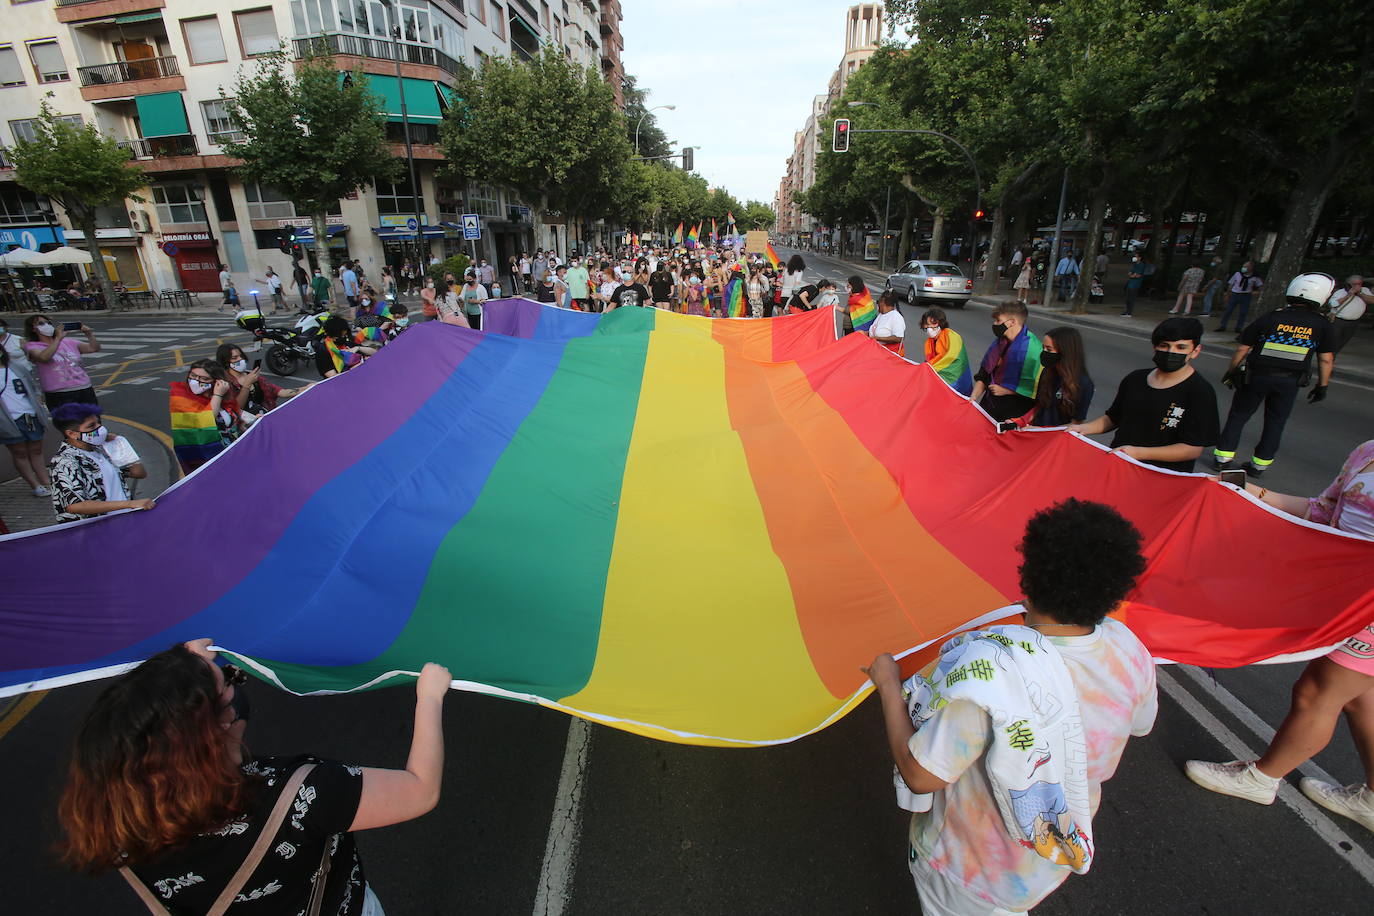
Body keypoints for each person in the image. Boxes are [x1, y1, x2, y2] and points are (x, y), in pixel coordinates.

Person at [865, 498, 1156, 916]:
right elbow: (1141, 724)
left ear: (1029, 575)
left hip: (968, 872)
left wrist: (889, 685)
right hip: (1047, 856)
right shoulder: (1129, 650)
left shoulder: (992, 675)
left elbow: (920, 774)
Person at [59, 638, 451, 915]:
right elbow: (420, 790)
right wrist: (430, 697)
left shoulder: (118, 821)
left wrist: (189, 667)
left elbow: (197, 716)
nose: (232, 682)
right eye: (230, 683)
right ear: (215, 729)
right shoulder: (300, 793)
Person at [1185, 440, 1374, 832]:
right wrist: (1246, 489)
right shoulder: (1366, 451)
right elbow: (1321, 510)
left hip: (1368, 609)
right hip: (1342, 597)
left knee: (1317, 692)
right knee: (1360, 700)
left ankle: (1261, 778)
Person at [1212, 273, 1337, 478]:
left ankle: (1222, 459)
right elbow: (1326, 359)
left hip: (1256, 376)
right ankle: (1258, 465)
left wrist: (1232, 371)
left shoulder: (1273, 316)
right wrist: (1322, 386)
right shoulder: (1321, 324)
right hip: (1289, 381)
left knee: (1239, 415)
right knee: (1276, 421)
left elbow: (1243, 348)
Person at [1068, 316, 1219, 472]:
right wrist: (1084, 429)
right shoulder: (1135, 379)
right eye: (1164, 346)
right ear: (1155, 347)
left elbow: (1192, 448)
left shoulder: (1199, 391)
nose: (1171, 352)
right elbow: (1113, 418)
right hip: (1118, 466)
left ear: (1195, 351)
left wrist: (1138, 452)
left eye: (1181, 347)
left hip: (1161, 477)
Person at [48, 402, 151, 522]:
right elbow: (75, 505)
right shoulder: (65, 462)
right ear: (72, 433)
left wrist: (121, 444)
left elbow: (139, 473)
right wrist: (129, 504)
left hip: (123, 520)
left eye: (99, 423)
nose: (100, 429)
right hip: (97, 530)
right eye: (92, 426)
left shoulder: (101, 450)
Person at [970, 302, 1043, 423]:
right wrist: (973, 398)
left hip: (1013, 414)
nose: (995, 324)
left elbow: (1036, 390)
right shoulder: (999, 343)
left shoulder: (1033, 351)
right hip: (989, 407)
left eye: (998, 320)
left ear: (1012, 322)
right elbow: (984, 374)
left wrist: (1007, 391)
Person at [171, 360, 242, 474]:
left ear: (217, 381)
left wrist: (252, 420)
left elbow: (234, 420)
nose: (196, 381)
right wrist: (217, 395)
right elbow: (206, 420)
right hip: (206, 460)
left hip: (232, 455)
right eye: (193, 376)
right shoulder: (182, 398)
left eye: (204, 379)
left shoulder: (223, 399)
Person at [0, 338, 51, 496]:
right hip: (7, 420)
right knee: (20, 453)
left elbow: (32, 387)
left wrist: (38, 402)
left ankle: (46, 482)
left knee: (36, 450)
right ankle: (35, 485)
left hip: (29, 414)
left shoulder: (16, 367)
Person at [1019, 326, 1093, 427]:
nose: (1044, 352)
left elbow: (1076, 423)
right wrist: (1020, 422)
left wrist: (1042, 431)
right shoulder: (1047, 372)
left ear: (1065, 352)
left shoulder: (1083, 384)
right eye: (1043, 348)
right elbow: (1039, 406)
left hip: (1055, 438)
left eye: (1049, 349)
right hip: (1035, 432)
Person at [23, 316, 101, 409]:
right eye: (41, 324)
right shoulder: (32, 346)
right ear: (33, 329)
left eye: (48, 323)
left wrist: (89, 334)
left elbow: (94, 348)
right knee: (70, 422)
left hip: (84, 388)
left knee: (93, 420)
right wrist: (57, 339)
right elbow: (44, 357)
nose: (47, 325)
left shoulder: (68, 342)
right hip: (60, 394)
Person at [215, 344, 304, 421]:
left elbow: (278, 391)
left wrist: (305, 388)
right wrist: (247, 385)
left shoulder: (253, 376)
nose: (240, 359)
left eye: (241, 356)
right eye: (234, 358)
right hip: (245, 426)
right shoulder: (225, 384)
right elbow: (237, 407)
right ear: (226, 362)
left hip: (264, 418)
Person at [919, 308, 973, 396]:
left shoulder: (952, 336)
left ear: (941, 323)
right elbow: (932, 360)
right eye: (927, 324)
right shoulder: (930, 341)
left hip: (955, 381)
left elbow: (952, 358)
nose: (929, 327)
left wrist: (929, 368)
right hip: (940, 379)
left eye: (933, 324)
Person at [1327, 274, 1373, 354]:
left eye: (1359, 284)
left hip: (1353, 322)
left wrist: (1359, 294)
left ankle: (1333, 355)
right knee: (1333, 341)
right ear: (1349, 284)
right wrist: (1348, 295)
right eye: (1355, 284)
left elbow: (1372, 300)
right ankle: (1329, 357)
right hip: (1338, 321)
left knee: (1343, 341)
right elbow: (1332, 304)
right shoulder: (1341, 292)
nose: (1357, 286)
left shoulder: (1364, 290)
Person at [1215, 261, 1263, 335]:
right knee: (1228, 310)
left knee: (1243, 312)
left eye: (1246, 266)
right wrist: (1227, 294)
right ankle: (1223, 325)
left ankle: (1239, 327)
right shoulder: (1238, 274)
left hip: (1246, 295)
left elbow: (1259, 286)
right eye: (1244, 266)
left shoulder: (1255, 277)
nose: (1244, 268)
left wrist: (1259, 294)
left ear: (1251, 268)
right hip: (1235, 294)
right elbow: (1231, 284)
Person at [868, 289, 906, 355]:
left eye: (878, 302)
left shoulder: (895, 317)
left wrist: (877, 338)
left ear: (883, 302)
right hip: (877, 352)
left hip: (888, 355)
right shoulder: (881, 315)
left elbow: (899, 338)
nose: (877, 305)